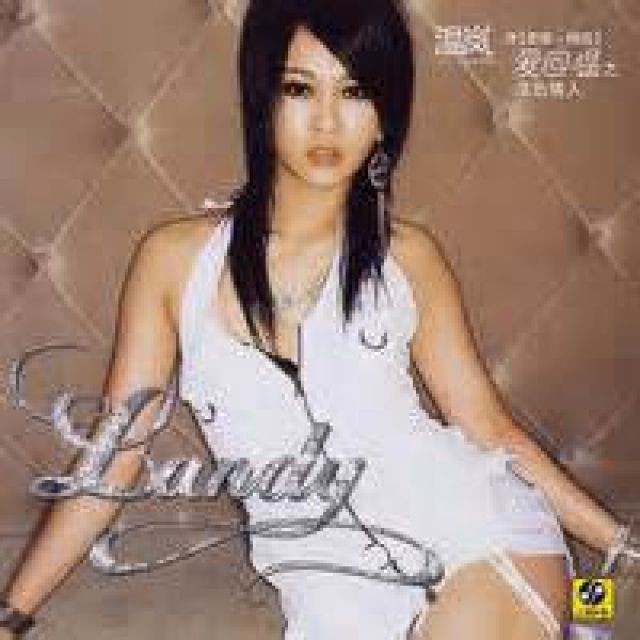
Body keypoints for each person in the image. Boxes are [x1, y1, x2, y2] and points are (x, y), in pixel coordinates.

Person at [1, 1, 637, 638]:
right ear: (264, 102)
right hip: (329, 586)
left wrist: (620, 543)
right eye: (300, 88)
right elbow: (111, 464)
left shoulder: (408, 258)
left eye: (355, 92)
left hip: (477, 533)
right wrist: (12, 615)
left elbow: (489, 427)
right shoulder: (173, 262)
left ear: (384, 116)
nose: (328, 120)